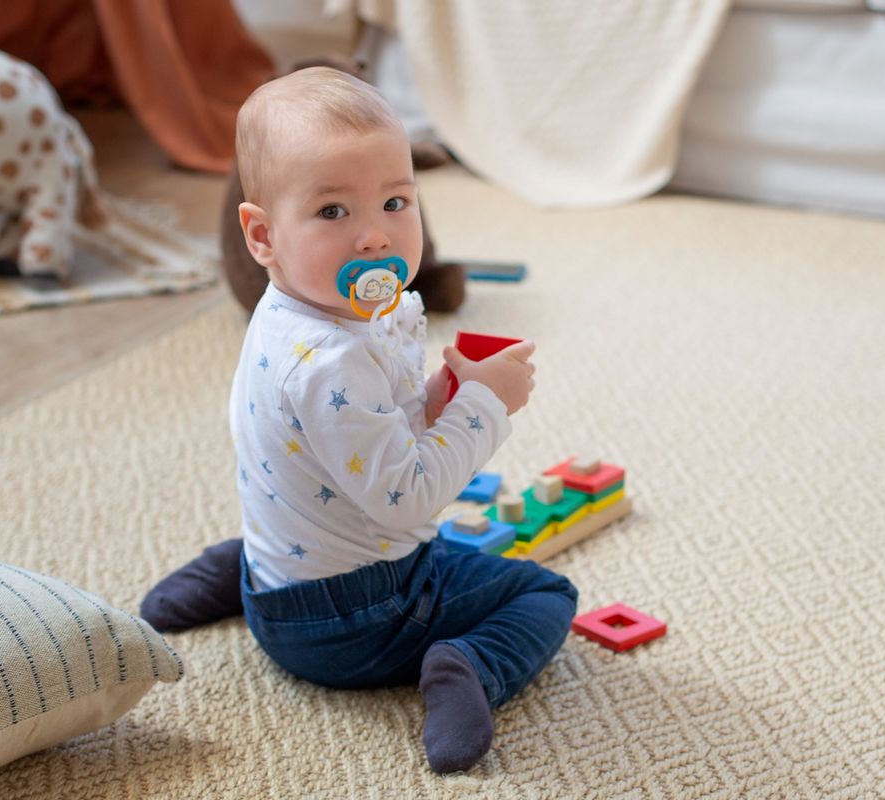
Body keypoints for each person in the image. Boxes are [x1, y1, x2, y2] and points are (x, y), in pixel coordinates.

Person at [140, 67, 577, 774]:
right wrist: (485, 405)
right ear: (262, 235)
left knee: (301, 487)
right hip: (359, 620)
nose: (376, 237)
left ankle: (245, 570)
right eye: (334, 212)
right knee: (546, 594)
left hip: (287, 586)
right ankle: (467, 668)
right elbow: (406, 494)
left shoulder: (300, 307)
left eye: (395, 201)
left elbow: (365, 430)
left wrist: (442, 391)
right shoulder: (329, 360)